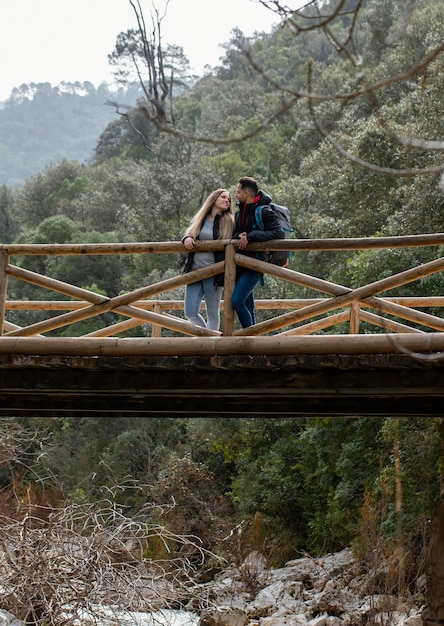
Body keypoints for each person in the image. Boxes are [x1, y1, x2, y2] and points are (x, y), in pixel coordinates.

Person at [232, 176, 285, 328]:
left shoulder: (264, 211)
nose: (236, 195)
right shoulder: (240, 212)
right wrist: (240, 236)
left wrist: (252, 236)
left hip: (255, 263)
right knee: (247, 304)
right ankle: (253, 343)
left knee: (236, 301)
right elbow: (235, 235)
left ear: (246, 193)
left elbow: (278, 233)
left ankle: (249, 338)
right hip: (239, 263)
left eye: (238, 191)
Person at [181, 188, 235, 331]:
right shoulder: (201, 218)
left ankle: (210, 347)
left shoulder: (228, 221)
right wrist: (186, 238)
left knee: (212, 314)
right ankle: (208, 340)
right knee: (190, 312)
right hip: (194, 271)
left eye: (229, 199)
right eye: (223, 197)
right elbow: (189, 233)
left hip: (214, 273)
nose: (226, 200)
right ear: (214, 198)